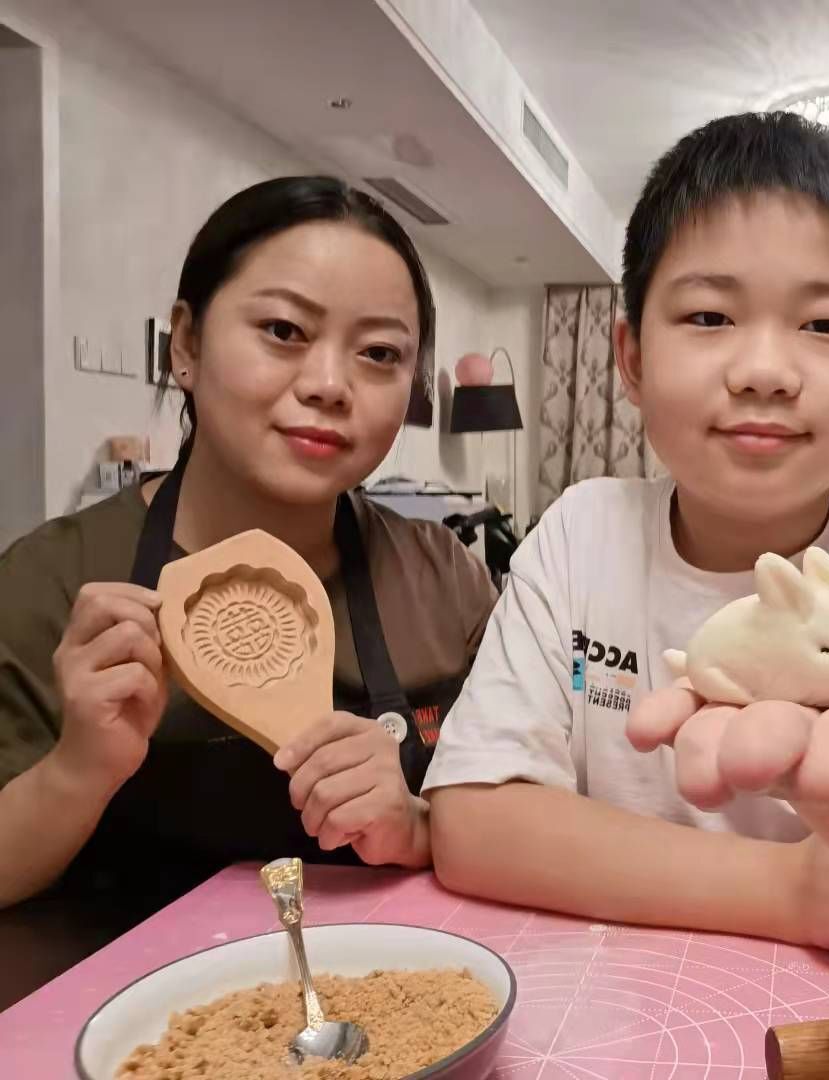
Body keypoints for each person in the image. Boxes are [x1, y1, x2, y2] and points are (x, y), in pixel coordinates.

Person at [424, 111, 829, 948]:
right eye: (710, 317)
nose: (763, 373)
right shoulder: (581, 532)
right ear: (632, 358)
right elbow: (473, 820)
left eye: (826, 325)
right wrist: (783, 890)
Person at [0, 177, 496, 908]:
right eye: (284, 332)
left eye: (379, 353)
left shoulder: (444, 579)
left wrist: (417, 824)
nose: (329, 384)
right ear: (187, 343)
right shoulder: (50, 582)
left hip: (397, 974)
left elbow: (521, 816)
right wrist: (78, 770)